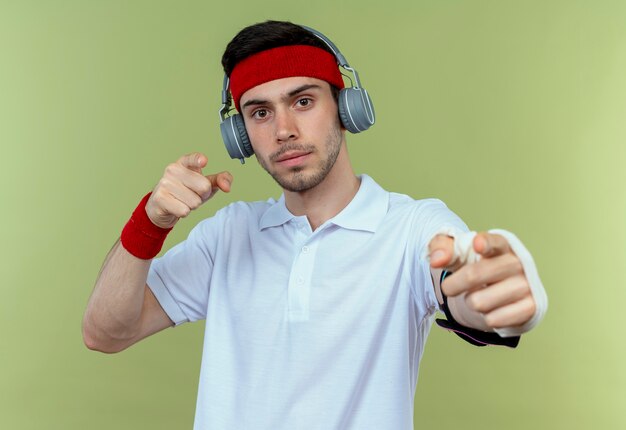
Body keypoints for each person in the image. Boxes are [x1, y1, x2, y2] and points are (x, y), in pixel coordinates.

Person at [83, 20, 547, 430]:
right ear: (241, 134)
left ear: (347, 109)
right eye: (260, 112)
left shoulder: (411, 226)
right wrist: (151, 222)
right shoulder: (227, 235)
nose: (283, 129)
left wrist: (494, 294)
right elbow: (105, 332)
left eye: (302, 101)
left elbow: (460, 282)